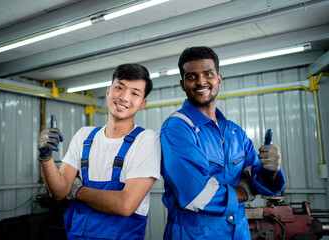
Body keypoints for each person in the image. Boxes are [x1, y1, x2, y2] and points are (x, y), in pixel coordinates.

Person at [160, 46, 285, 239]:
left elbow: (258, 178)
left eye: (208, 74)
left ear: (218, 79)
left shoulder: (235, 132)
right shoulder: (176, 128)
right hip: (194, 234)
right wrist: (246, 190)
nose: (201, 81)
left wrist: (272, 170)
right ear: (183, 84)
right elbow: (198, 195)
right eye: (191, 77)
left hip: (239, 231)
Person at [37, 63, 161, 240]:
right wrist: (46, 158)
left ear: (142, 104)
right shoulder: (84, 136)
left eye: (135, 93)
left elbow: (125, 205)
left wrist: (77, 190)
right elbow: (59, 191)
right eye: (119, 87)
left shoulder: (146, 140)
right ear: (109, 91)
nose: (124, 97)